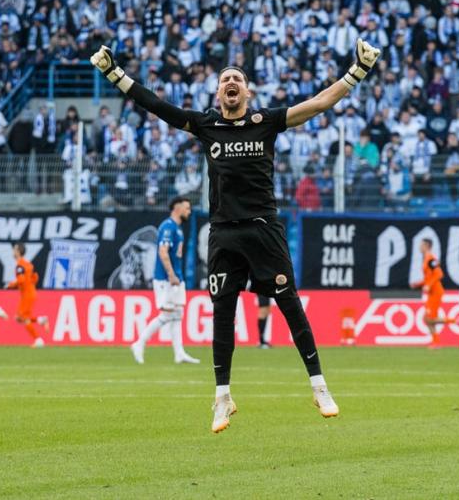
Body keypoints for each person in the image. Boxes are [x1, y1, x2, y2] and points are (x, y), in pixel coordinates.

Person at [90, 37, 381, 432]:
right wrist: (114, 73)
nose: (230, 82)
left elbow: (318, 104)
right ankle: (222, 398)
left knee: (290, 303)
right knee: (223, 314)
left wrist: (357, 72)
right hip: (224, 234)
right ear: (218, 92)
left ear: (246, 91)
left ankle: (319, 386)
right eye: (225, 78)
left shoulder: (266, 122)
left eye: (236, 79)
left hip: (264, 229)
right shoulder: (206, 124)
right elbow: (156, 105)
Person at [131, 197, 200, 365]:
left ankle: (179, 353)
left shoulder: (177, 228)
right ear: (177, 208)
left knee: (177, 313)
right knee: (167, 313)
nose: (189, 211)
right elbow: (163, 252)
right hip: (166, 278)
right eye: (187, 208)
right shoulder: (168, 226)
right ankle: (140, 342)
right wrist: (170, 274)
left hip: (177, 277)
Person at [411, 238, 456, 348]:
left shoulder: (431, 259)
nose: (419, 247)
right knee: (427, 319)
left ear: (427, 246)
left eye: (421, 245)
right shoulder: (426, 259)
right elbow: (428, 278)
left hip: (436, 291)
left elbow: (439, 274)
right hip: (431, 292)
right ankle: (436, 342)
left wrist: (429, 285)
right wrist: (418, 284)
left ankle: (456, 321)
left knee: (430, 319)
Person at [6, 243, 48, 348]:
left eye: (14, 250)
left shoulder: (20, 265)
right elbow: (35, 277)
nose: (13, 251)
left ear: (18, 252)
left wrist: (11, 285)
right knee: (19, 318)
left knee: (24, 318)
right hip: (30, 292)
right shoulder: (28, 264)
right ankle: (41, 320)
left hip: (27, 294)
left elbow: (21, 280)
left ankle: (38, 340)